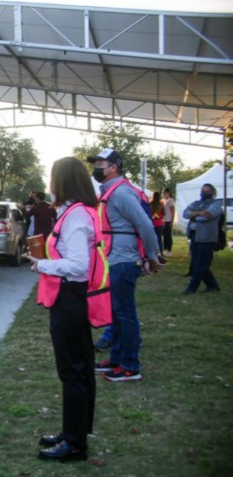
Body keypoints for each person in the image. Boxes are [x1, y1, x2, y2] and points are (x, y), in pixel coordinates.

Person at [27, 157, 99, 462]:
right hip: (71, 297)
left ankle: (74, 443)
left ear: (63, 181)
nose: (50, 182)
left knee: (72, 371)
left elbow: (78, 266)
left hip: (70, 297)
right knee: (77, 369)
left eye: (52, 176)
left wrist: (41, 263)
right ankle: (73, 432)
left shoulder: (75, 217)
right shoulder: (77, 212)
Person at [90, 148, 163, 382]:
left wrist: (152, 256)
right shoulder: (111, 191)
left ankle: (130, 365)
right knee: (117, 313)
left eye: (101, 164)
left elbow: (145, 225)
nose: (97, 168)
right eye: (97, 163)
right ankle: (117, 359)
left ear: (114, 167)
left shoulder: (121, 193)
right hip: (114, 259)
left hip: (122, 260)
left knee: (125, 314)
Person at [182, 183, 222, 294]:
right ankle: (212, 285)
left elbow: (206, 216)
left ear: (212, 192)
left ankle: (192, 288)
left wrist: (193, 215)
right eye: (203, 191)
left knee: (200, 264)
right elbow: (185, 214)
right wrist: (199, 213)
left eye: (207, 191)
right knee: (196, 263)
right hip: (195, 236)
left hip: (207, 237)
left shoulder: (217, 205)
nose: (204, 193)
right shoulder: (196, 203)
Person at [162, 188, 175, 255]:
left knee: (168, 235)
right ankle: (165, 249)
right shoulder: (163, 200)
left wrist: (172, 221)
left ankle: (169, 249)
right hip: (164, 220)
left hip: (169, 220)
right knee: (164, 235)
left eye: (165, 193)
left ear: (168, 193)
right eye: (163, 193)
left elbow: (173, 211)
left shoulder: (170, 200)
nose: (164, 194)